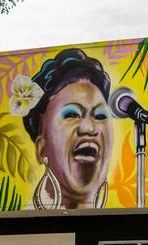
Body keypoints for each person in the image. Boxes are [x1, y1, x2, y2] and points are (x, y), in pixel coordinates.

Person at [24, 48, 114, 209]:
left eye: (100, 116)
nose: (89, 128)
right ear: (41, 149)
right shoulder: (26, 220)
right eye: (72, 114)